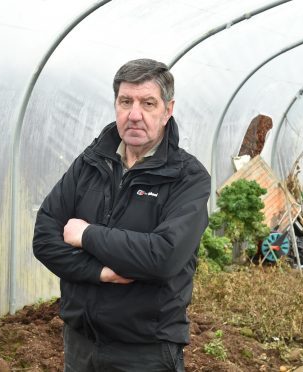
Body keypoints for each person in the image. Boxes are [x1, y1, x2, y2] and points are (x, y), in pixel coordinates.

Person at [32, 58, 211, 371]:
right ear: (115, 104)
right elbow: (45, 239)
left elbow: (162, 257)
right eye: (126, 101)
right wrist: (102, 272)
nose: (135, 114)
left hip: (145, 352)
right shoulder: (90, 163)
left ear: (168, 110)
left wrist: (86, 235)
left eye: (148, 103)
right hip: (80, 344)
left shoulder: (187, 178)